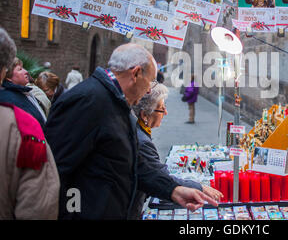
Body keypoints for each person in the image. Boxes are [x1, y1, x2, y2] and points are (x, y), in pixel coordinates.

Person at [45, 43, 217, 219]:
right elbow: (54, 172)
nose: (149, 90)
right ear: (135, 73)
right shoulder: (87, 100)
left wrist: (172, 190)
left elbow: (134, 163)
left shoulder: (119, 104)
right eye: (149, 82)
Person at [131, 84, 223, 218]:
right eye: (161, 109)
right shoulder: (142, 142)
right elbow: (161, 178)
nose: (166, 113)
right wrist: (199, 187)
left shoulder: (139, 132)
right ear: (145, 115)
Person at [0, 27, 60, 219]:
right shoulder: (22, 126)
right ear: (4, 71)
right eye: (18, 68)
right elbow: (38, 206)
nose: (25, 71)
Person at [0, 57, 47, 128]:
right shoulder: (10, 98)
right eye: (20, 69)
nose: (26, 71)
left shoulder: (23, 93)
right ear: (8, 77)